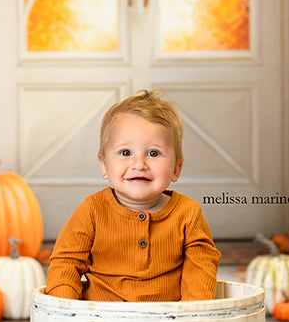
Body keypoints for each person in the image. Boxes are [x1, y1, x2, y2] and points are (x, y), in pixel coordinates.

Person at [45, 89, 221, 301]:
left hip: (167, 318)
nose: (139, 164)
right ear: (104, 166)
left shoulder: (188, 214)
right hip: (101, 317)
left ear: (176, 168)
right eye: (125, 153)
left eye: (153, 153)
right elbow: (66, 263)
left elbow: (200, 271)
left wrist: (193, 314)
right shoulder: (92, 211)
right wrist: (64, 309)